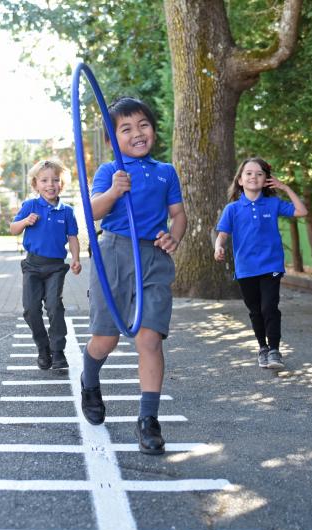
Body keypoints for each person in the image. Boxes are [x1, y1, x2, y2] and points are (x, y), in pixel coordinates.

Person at [81, 96, 187, 455]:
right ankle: (90, 379)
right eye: (125, 129)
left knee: (149, 340)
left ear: (153, 130)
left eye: (143, 125)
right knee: (105, 340)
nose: (137, 133)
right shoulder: (109, 171)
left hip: (154, 256)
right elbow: (92, 212)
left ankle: (148, 419)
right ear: (112, 141)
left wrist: (174, 235)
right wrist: (114, 191)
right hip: (114, 252)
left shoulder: (165, 171)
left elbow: (179, 215)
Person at [214, 157, 307, 369]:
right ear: (240, 180)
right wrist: (218, 247)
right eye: (248, 173)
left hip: (271, 266)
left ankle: (274, 350)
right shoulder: (233, 209)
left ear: (266, 179)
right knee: (255, 310)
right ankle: (263, 348)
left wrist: (285, 187)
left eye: (259, 173)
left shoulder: (273, 204)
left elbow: (301, 211)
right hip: (246, 268)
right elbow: (222, 234)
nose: (253, 177)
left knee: (269, 307)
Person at [10, 158, 81, 370]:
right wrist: (25, 222)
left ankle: (58, 351)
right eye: (44, 180)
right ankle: (43, 348)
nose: (50, 184)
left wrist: (76, 259)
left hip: (55, 267)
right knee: (31, 310)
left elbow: (73, 237)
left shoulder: (66, 211)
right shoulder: (30, 206)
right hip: (32, 266)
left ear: (62, 184)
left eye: (55, 180)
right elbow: (13, 228)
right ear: (35, 184)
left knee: (54, 306)